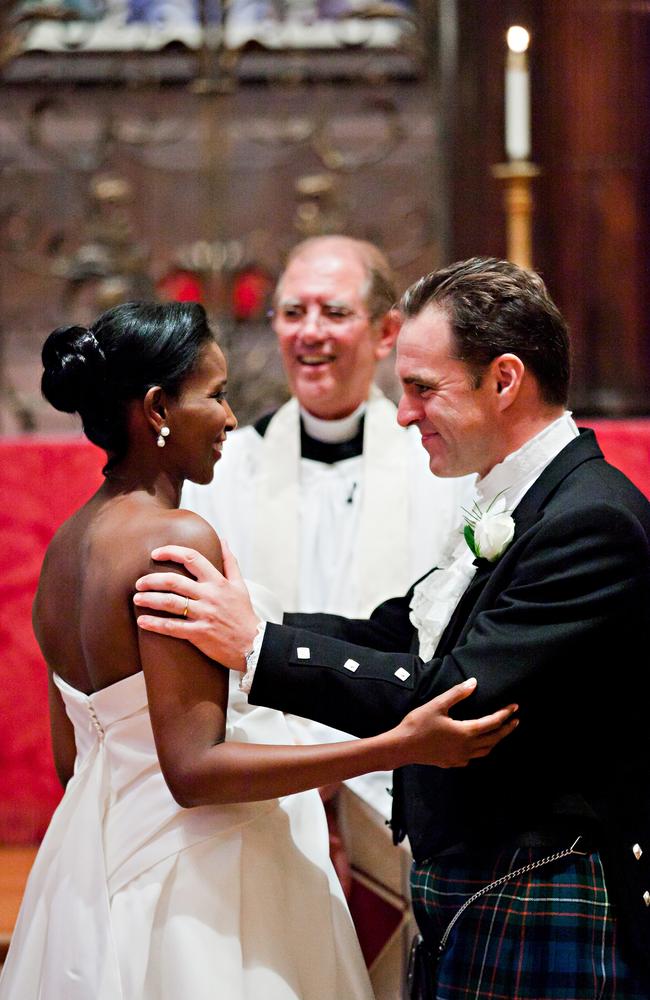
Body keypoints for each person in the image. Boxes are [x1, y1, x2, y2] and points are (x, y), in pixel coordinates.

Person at [133, 259, 650, 998]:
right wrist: (251, 617)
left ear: (504, 380)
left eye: (422, 389)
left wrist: (256, 646)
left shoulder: (588, 518)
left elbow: (459, 694)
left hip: (541, 883)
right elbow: (396, 632)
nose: (403, 414)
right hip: (484, 879)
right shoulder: (527, 496)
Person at [0, 300, 518, 1000]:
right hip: (199, 887)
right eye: (215, 397)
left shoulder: (64, 546)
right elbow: (194, 770)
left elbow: (75, 761)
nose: (231, 420)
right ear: (156, 408)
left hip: (86, 875)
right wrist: (397, 745)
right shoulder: (176, 539)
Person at [182, 235, 473, 995]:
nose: (309, 331)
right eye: (292, 311)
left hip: (402, 776)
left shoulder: (441, 465)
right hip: (267, 780)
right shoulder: (224, 467)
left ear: (384, 332)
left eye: (334, 311)